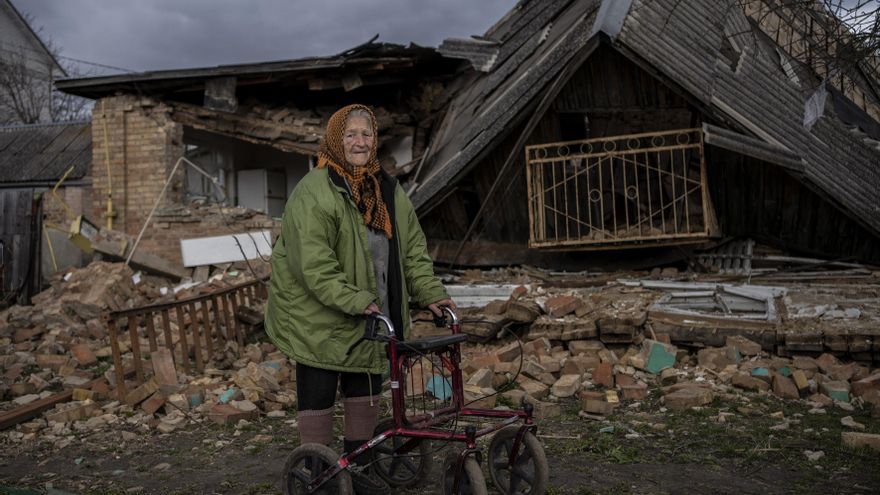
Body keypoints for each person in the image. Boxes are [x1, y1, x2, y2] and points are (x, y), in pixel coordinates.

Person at [265, 104, 454, 494]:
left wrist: (432, 295)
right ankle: (317, 473)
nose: (359, 141)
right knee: (318, 396)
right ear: (336, 139)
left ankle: (361, 469)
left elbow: (413, 250)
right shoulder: (315, 191)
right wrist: (354, 300)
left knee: (364, 393)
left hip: (372, 316)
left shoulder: (386, 189)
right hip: (319, 320)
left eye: (366, 135)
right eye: (351, 134)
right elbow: (313, 264)